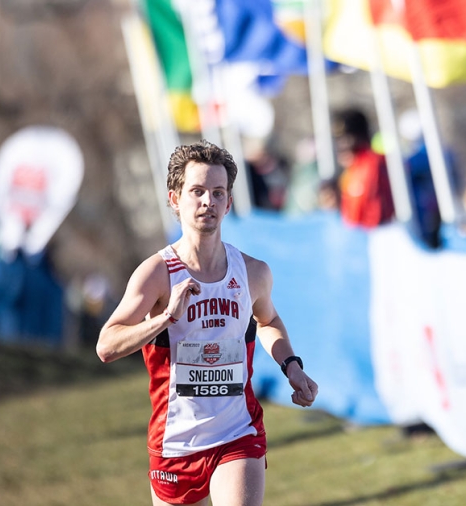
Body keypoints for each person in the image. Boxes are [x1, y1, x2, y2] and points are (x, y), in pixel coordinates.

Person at [96, 140, 319, 506]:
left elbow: (269, 319)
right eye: (197, 191)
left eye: (218, 193)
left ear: (229, 203)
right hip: (175, 442)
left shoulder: (252, 272)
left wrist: (291, 366)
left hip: (238, 431)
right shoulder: (156, 274)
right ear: (174, 199)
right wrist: (166, 318)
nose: (207, 202)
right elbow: (107, 345)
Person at [332, 108, 395, 228]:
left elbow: (374, 212)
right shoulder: (353, 168)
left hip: (375, 235)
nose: (341, 145)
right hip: (360, 236)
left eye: (346, 139)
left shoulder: (371, 164)